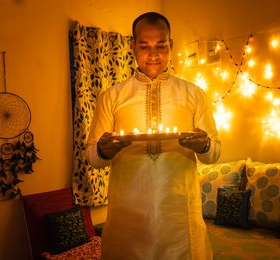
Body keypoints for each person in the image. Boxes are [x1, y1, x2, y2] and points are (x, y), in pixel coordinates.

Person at [86, 12, 221, 260]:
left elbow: (214, 154)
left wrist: (204, 145)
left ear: (171, 45)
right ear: (133, 47)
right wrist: (105, 150)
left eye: (161, 45)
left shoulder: (194, 94)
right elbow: (93, 158)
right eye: (144, 46)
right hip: (129, 215)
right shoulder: (113, 96)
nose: (154, 54)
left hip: (179, 215)